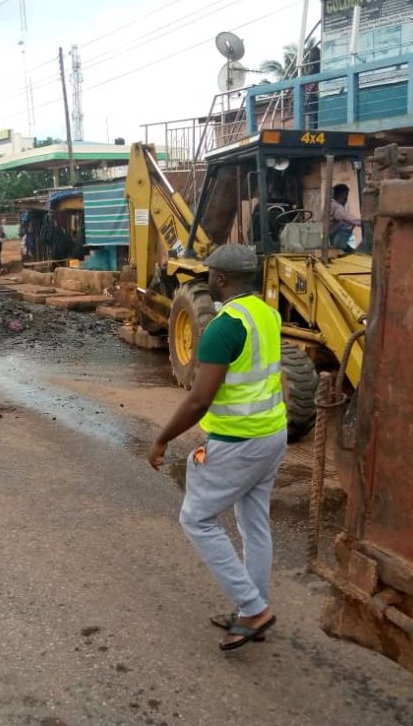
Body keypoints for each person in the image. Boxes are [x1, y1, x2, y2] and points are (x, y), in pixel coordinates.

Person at [148, 244, 287, 652]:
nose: (207, 279)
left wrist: (162, 439)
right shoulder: (267, 314)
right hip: (272, 435)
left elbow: (199, 399)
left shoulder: (224, 327)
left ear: (222, 279)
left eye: (210, 274)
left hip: (238, 441)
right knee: (253, 524)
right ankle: (251, 610)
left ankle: (253, 608)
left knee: (197, 519)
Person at [329, 184, 360, 251]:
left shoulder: (329, 205)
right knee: (347, 225)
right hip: (330, 238)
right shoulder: (337, 207)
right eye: (346, 196)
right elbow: (346, 217)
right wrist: (362, 223)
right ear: (344, 195)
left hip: (326, 236)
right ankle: (339, 247)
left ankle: (344, 247)